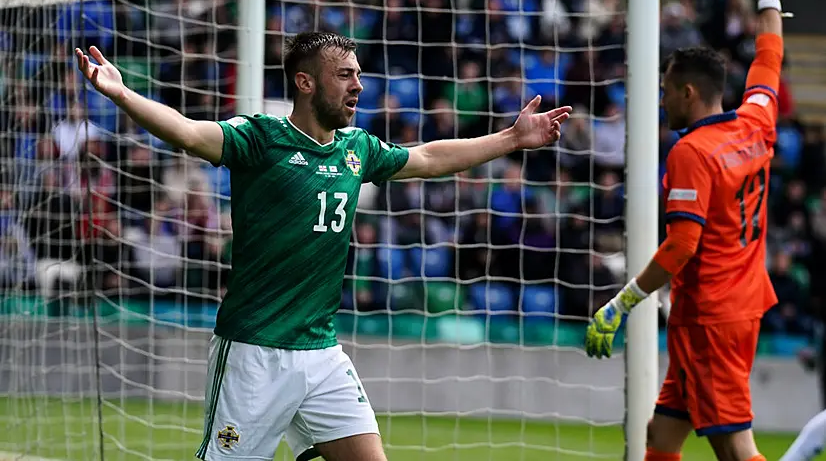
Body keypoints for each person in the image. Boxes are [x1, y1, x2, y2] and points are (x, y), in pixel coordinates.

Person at [75, 32, 571, 461]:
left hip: (321, 351)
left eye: (358, 74)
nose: (358, 85)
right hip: (254, 350)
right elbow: (186, 133)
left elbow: (428, 156)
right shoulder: (260, 138)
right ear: (305, 82)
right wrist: (121, 94)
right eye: (345, 75)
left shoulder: (357, 148)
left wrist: (511, 138)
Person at [584, 0, 792, 461]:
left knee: (736, 450)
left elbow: (682, 246)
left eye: (667, 91)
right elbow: (769, 56)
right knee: (662, 436)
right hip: (739, 301)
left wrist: (622, 303)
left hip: (712, 315)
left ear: (689, 91)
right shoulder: (756, 121)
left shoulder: (691, 153)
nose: (662, 100)